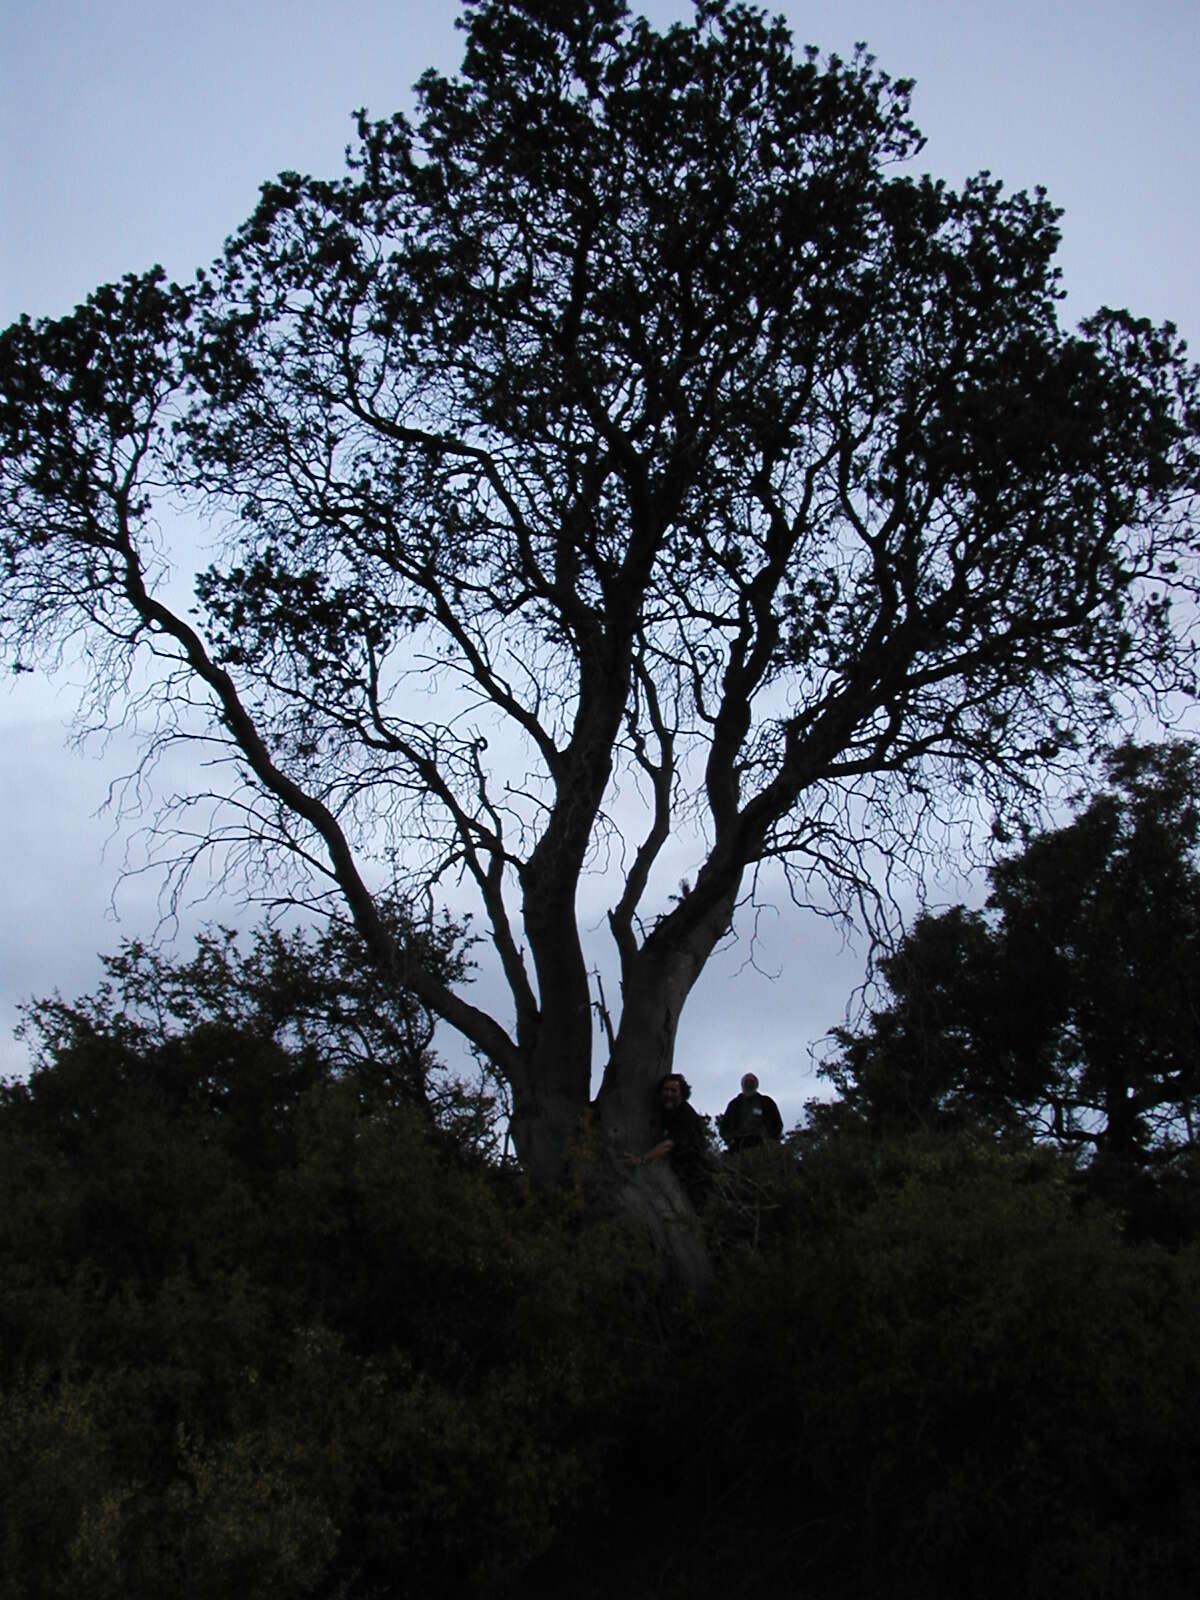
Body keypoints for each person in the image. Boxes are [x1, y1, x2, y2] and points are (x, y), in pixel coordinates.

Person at [629, 1073, 713, 1205]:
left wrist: (642, 1160)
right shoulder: (664, 1111)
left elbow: (668, 1144)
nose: (669, 1094)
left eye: (673, 1091)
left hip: (693, 1173)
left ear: (682, 1093)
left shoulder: (685, 1115)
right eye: (666, 1090)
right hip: (677, 1168)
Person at [718, 1072, 783, 1152]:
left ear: (756, 1085)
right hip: (739, 1145)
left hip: (762, 1145)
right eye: (746, 1082)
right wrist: (731, 1140)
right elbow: (724, 1128)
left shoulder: (766, 1102)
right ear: (742, 1085)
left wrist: (771, 1140)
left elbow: (777, 1124)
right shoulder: (734, 1105)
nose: (749, 1085)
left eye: (751, 1082)